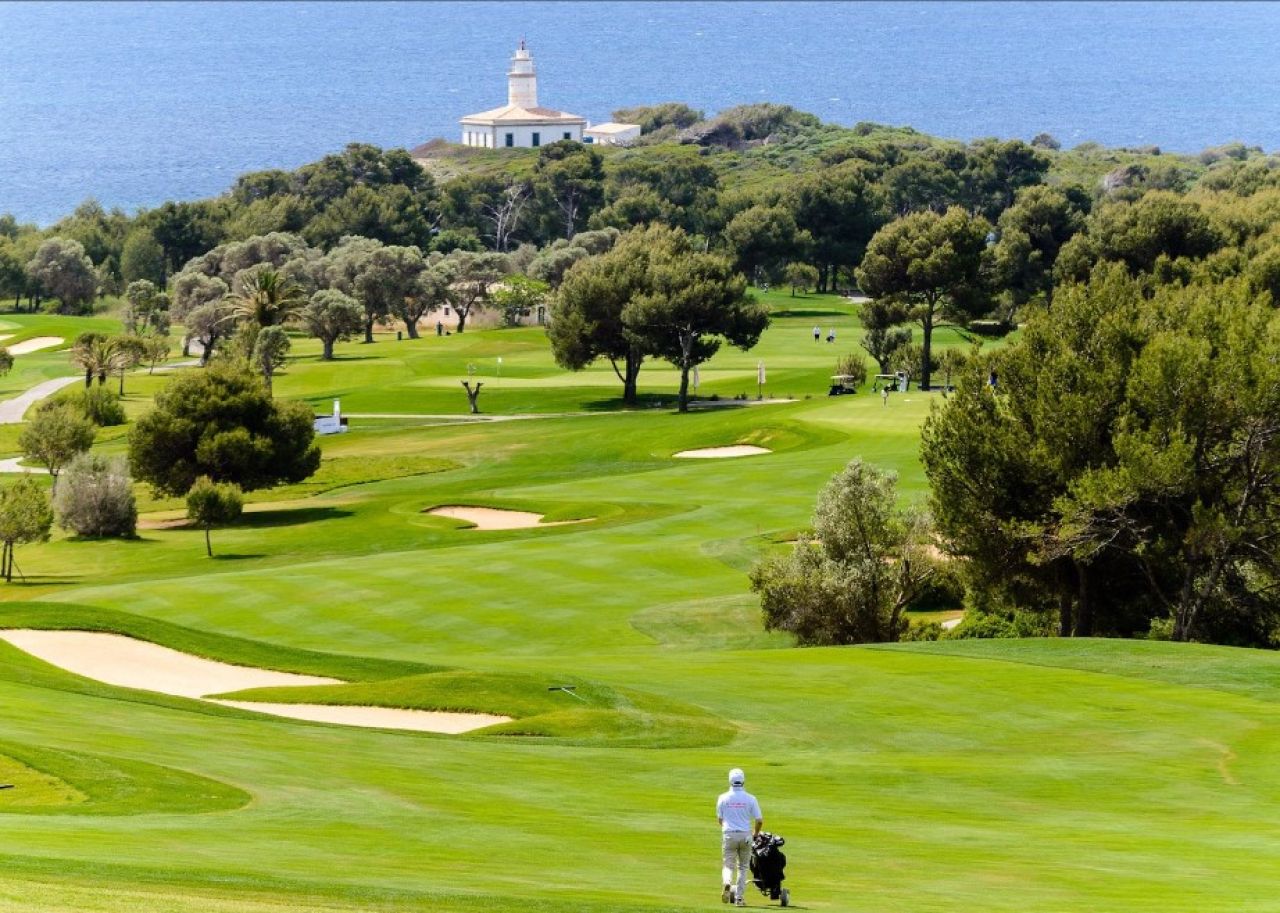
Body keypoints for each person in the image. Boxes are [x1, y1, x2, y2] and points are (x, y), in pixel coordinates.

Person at [717, 767, 763, 906]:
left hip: (729, 834)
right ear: (743, 781)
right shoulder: (751, 798)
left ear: (730, 781)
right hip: (746, 836)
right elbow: (759, 820)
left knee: (728, 865)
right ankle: (739, 898)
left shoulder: (723, 797)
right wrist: (755, 834)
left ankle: (727, 883)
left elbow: (720, 819)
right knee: (743, 867)